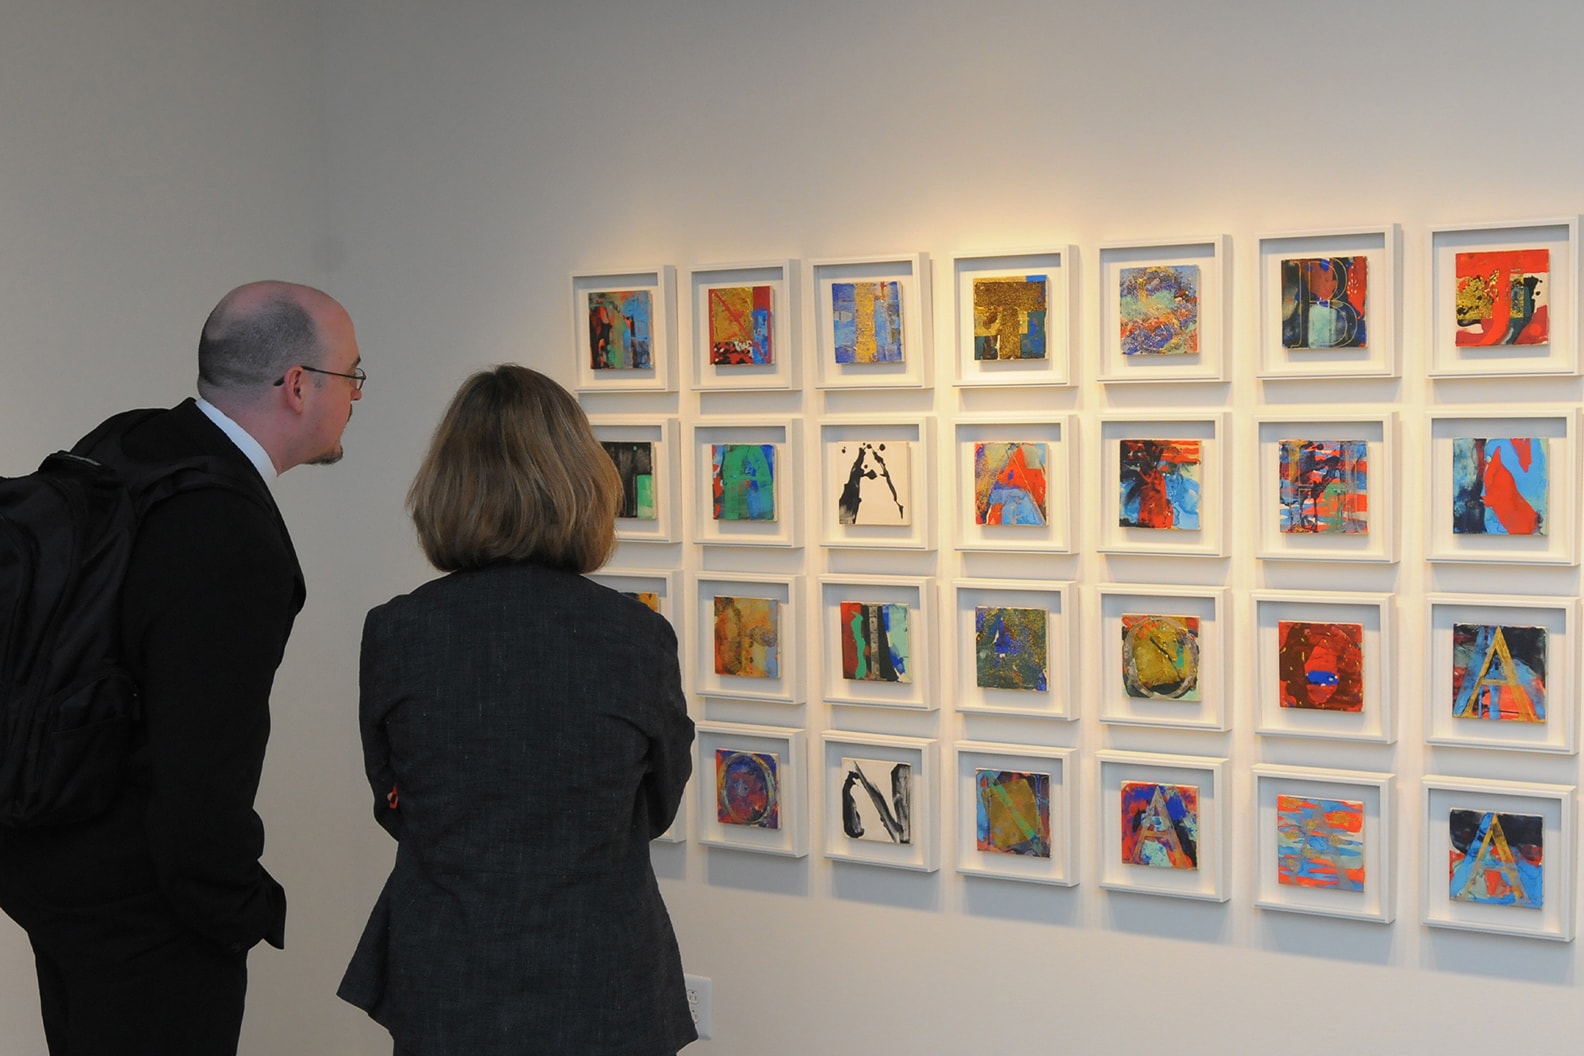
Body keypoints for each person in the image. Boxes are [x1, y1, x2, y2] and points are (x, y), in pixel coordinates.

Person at [0, 280, 364, 1056]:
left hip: (48, 860)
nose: (357, 398)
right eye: (352, 376)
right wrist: (237, 907)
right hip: (146, 913)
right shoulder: (229, 529)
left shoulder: (126, 442)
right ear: (298, 387)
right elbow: (199, 766)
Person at [337, 365, 696, 1056]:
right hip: (600, 974)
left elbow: (393, 801)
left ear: (447, 486)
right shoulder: (635, 637)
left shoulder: (399, 631)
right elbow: (655, 805)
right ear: (583, 483)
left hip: (446, 971)